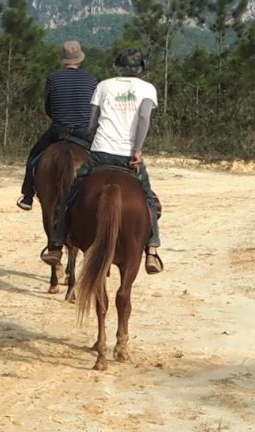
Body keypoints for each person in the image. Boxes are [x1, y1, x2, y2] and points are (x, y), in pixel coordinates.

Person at [48, 47, 165, 273]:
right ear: (140, 68)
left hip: (100, 152)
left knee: (72, 193)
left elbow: (92, 123)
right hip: (128, 155)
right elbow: (143, 119)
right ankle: (152, 249)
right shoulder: (147, 89)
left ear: (118, 66)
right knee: (149, 198)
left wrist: (96, 141)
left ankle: (56, 243)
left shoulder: (103, 85)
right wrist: (137, 151)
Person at [17, 40, 98, 210]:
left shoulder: (53, 78)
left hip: (58, 130)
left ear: (64, 59)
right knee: (102, 159)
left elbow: (48, 107)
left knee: (33, 157)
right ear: (80, 59)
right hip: (84, 132)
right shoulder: (91, 80)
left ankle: (28, 195)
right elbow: (94, 110)